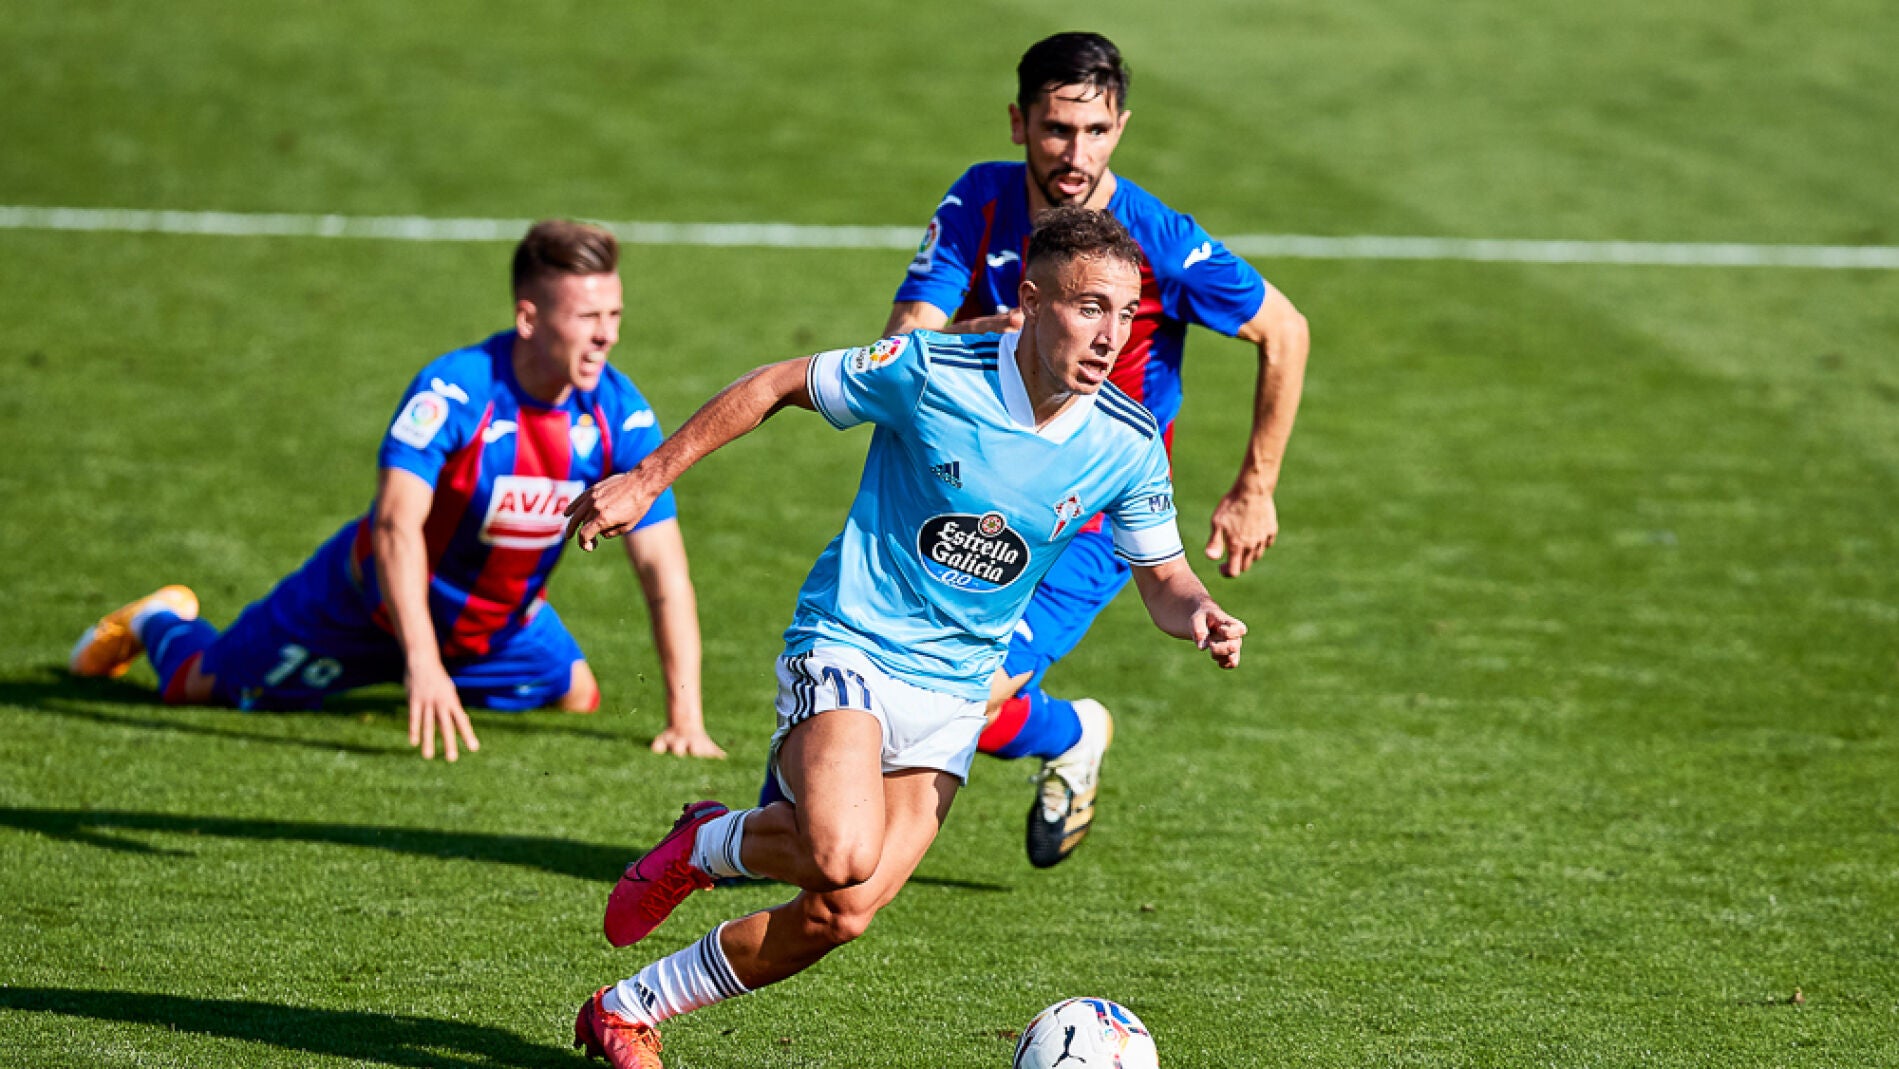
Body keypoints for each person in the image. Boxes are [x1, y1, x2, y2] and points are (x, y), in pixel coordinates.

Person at [564, 208, 1246, 1068]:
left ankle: (626, 1009)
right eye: (1087, 308)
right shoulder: (929, 370)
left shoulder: (1128, 440)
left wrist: (1200, 613)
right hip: (851, 639)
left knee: (841, 911)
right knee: (839, 852)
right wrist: (645, 478)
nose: (1110, 335)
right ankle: (706, 843)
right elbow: (775, 383)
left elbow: (1162, 578)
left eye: (1124, 312)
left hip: (955, 690)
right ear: (1033, 301)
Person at [68, 220, 724, 761]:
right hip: (362, 608)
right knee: (194, 686)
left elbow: (662, 568)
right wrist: (423, 660)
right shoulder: (455, 392)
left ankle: (451, 668)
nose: (607, 335)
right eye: (586, 316)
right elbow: (394, 526)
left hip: (496, 629)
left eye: (614, 313)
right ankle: (158, 619)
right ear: (529, 317)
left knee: (577, 694)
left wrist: (685, 719)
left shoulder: (620, 413)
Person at [886, 31, 1311, 866]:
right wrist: (984, 335)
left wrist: (1255, 486)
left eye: (1095, 131)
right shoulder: (979, 200)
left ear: (1120, 126)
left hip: (1092, 515)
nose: (1075, 154)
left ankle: (806, 855)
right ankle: (1070, 731)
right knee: (900, 682)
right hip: (976, 496)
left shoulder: (1155, 238)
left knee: (956, 692)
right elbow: (902, 342)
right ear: (1019, 123)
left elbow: (1285, 331)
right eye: (1056, 129)